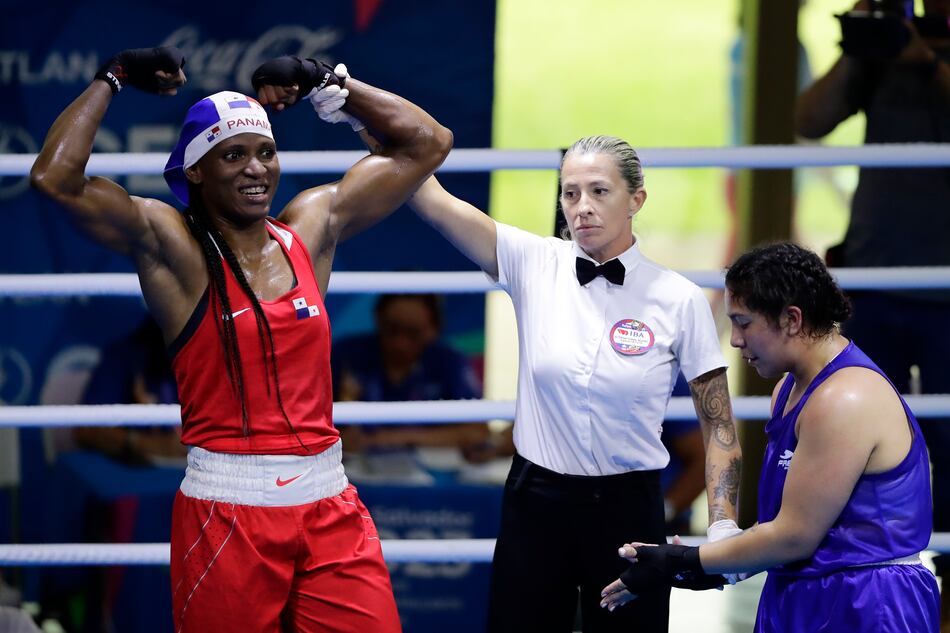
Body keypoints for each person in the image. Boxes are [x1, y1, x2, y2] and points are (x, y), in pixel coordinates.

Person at [30, 45, 452, 633]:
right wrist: (113, 77)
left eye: (265, 153)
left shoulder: (312, 225)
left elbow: (428, 143)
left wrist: (329, 83)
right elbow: (55, 179)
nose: (256, 169)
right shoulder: (172, 244)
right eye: (233, 155)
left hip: (328, 500)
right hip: (226, 511)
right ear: (195, 170)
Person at [397, 135, 742, 633]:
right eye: (571, 193)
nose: (582, 207)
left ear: (636, 200)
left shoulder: (680, 300)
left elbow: (720, 429)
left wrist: (724, 527)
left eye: (599, 191)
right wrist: (352, 108)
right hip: (536, 503)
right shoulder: (531, 262)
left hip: (629, 509)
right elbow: (431, 199)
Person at [601, 242, 941, 632]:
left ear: (792, 319)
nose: (735, 340)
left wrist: (687, 562)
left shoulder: (844, 399)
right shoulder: (789, 389)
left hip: (867, 603)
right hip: (799, 589)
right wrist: (706, 564)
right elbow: (784, 527)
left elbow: (795, 537)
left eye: (744, 323)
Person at [796, 3, 950, 626]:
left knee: (949, 444)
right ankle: (861, 592)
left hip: (945, 287)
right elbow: (809, 119)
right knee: (855, 447)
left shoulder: (924, 54)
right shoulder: (882, 55)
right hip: (875, 279)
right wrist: (863, 44)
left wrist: (928, 60)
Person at [332, 292, 488, 466]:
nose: (400, 343)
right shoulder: (346, 355)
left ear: (434, 329)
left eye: (413, 333)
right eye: (392, 329)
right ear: (378, 319)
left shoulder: (450, 363)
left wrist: (388, 439)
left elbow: (478, 431)